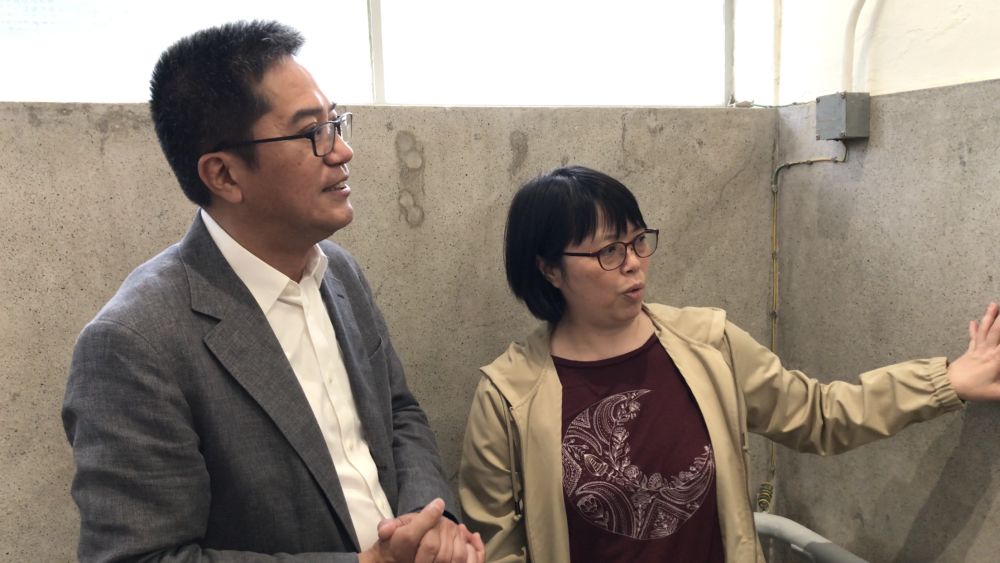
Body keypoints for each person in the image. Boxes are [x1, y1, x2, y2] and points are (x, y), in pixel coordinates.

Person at [62, 21, 483, 563]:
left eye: (336, 121)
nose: (343, 150)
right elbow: (140, 557)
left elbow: (398, 413)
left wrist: (430, 520)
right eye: (313, 133)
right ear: (224, 175)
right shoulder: (134, 343)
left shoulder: (339, 272)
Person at [458, 165, 1000, 562]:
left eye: (639, 241)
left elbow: (819, 415)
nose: (634, 264)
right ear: (550, 270)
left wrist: (945, 381)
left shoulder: (709, 344)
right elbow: (495, 548)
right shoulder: (509, 395)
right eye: (609, 251)